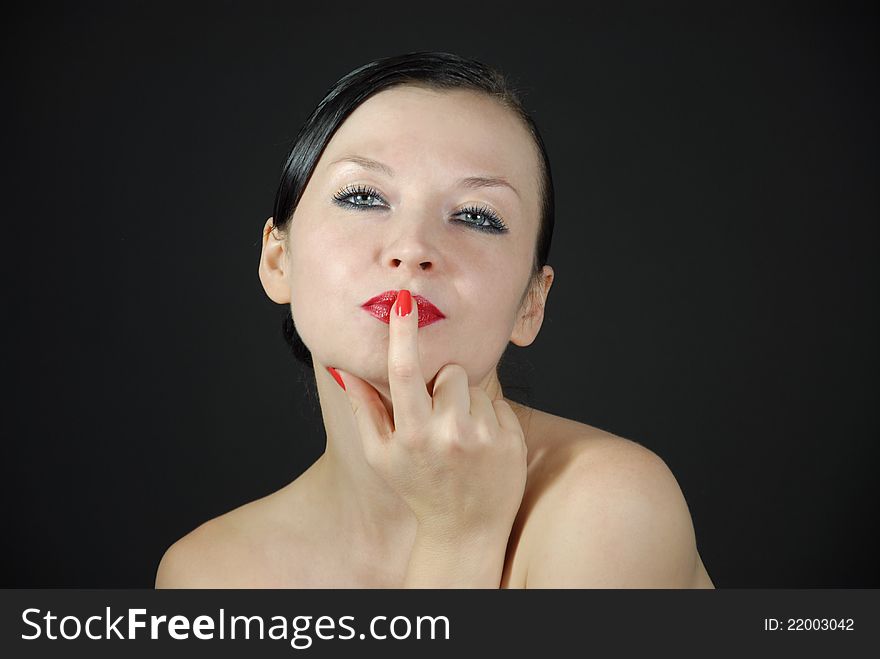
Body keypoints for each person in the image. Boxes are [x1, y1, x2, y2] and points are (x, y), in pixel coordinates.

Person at [155, 51, 714, 588]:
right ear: (278, 260)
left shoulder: (606, 504)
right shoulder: (206, 573)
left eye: (476, 216)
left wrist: (459, 535)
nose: (412, 247)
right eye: (363, 197)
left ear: (531, 303)